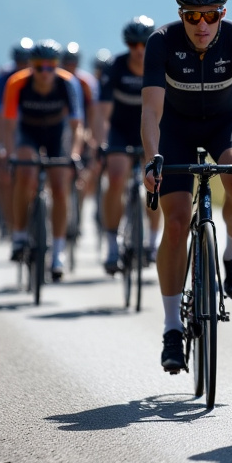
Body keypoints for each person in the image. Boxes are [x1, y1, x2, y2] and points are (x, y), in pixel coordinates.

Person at [141, 0, 232, 373]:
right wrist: (152, 157)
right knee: (177, 222)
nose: (202, 25)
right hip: (175, 129)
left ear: (223, 13)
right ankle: (170, 328)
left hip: (224, 122)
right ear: (181, 15)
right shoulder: (161, 42)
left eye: (211, 15)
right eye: (192, 16)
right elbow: (151, 109)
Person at [1, 40, 85, 281]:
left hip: (56, 134)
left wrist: (75, 153)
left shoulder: (67, 83)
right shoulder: (17, 83)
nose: (46, 72)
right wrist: (10, 155)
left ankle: (57, 252)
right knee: (25, 175)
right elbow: (8, 125)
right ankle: (18, 235)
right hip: (29, 133)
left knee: (60, 188)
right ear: (31, 67)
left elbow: (77, 125)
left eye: (51, 67)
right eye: (39, 67)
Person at [97, 16, 160, 273]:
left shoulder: (159, 65)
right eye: (133, 44)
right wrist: (101, 141)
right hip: (121, 131)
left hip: (152, 130)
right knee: (115, 177)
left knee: (156, 183)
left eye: (144, 43)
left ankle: (153, 243)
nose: (139, 49)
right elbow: (102, 113)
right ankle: (112, 245)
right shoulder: (115, 67)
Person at [0, 39, 34, 234]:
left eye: (26, 60)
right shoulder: (3, 78)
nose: (22, 65)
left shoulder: (38, 76)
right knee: (6, 177)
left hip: (31, 130)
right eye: (19, 61)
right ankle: (12, 226)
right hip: (6, 130)